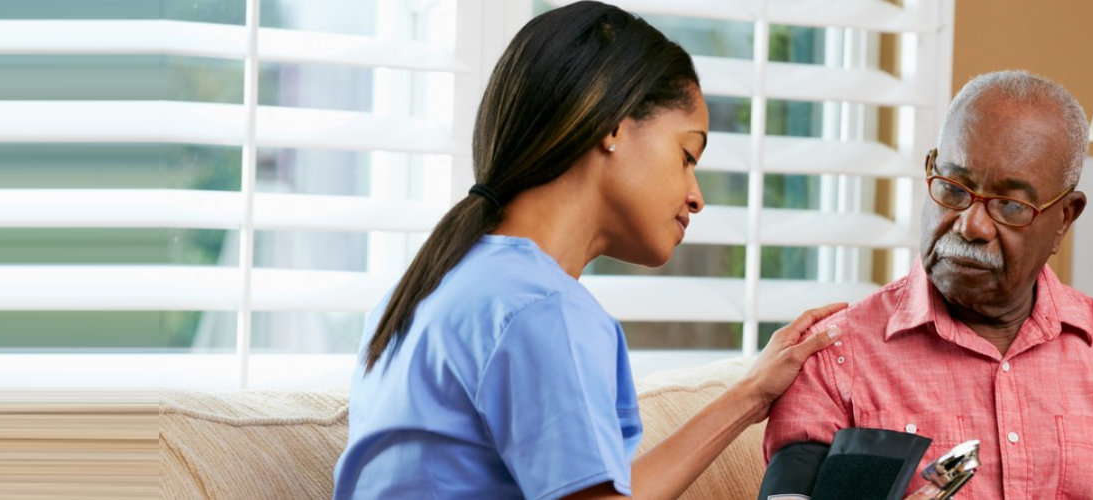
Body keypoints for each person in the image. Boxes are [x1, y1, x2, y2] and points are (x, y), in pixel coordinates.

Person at [332, 3, 845, 499]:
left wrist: (751, 394)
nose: (696, 195)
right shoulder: (542, 312)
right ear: (614, 127)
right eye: (687, 156)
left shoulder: (431, 288)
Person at [763, 70, 1093, 499]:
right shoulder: (833, 358)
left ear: (1064, 218)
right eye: (954, 188)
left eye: (1009, 205)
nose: (970, 225)